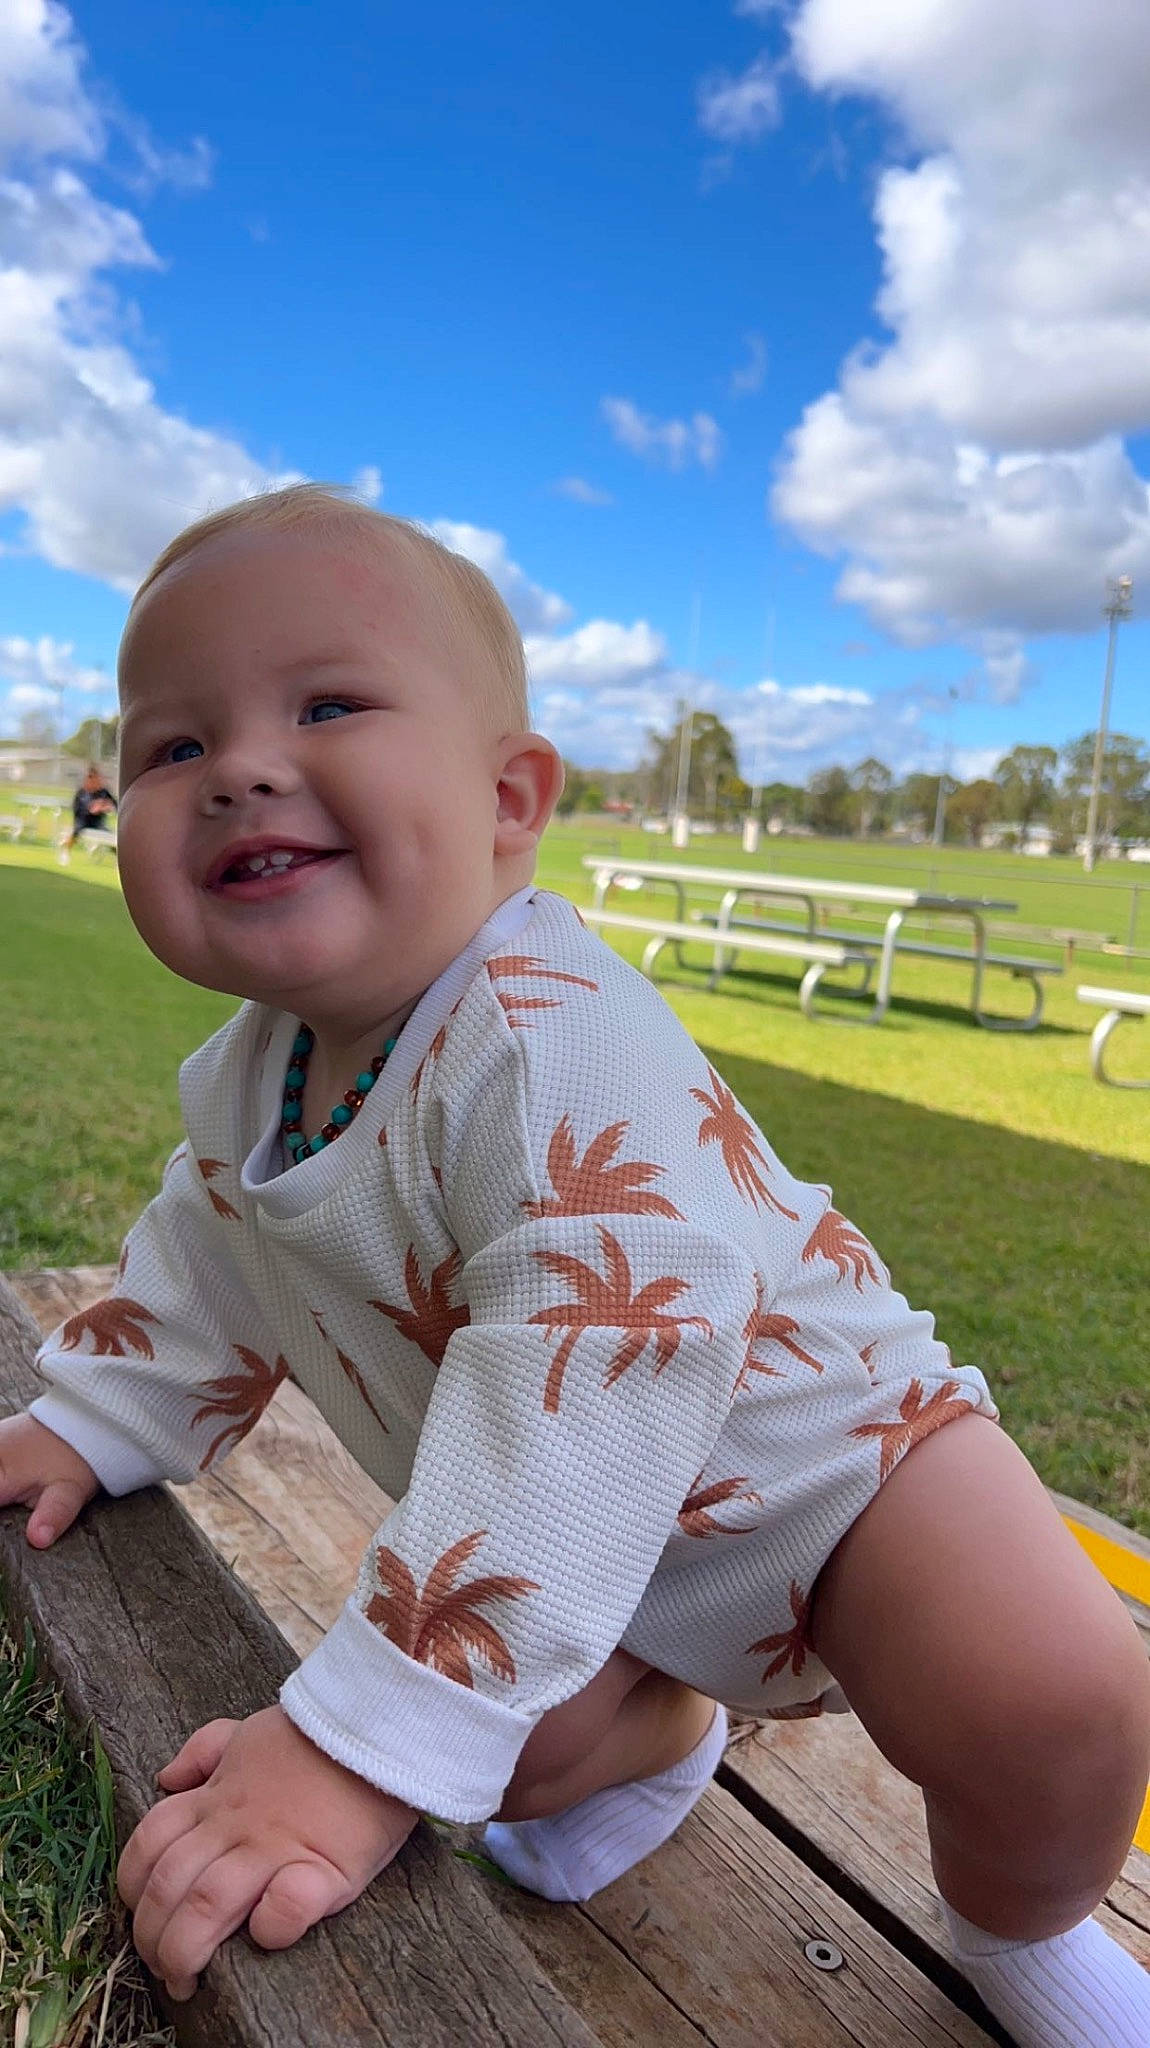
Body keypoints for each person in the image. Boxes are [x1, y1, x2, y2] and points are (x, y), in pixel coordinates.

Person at [0, 485, 1145, 2048]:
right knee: (503, 1758)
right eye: (172, 744)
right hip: (606, 1554)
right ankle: (663, 1728)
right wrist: (96, 1419)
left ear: (508, 800)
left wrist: (347, 1750)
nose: (240, 768)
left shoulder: (547, 1035)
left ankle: (1022, 1930)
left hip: (841, 1480)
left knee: (1050, 1696)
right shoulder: (252, 1071)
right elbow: (209, 1255)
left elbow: (593, 1357)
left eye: (326, 706)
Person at [69, 762, 117, 845]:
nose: (95, 781)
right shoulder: (82, 793)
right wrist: (95, 808)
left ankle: (117, 851)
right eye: (91, 778)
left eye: (96, 778)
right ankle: (68, 845)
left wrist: (108, 806)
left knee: (111, 837)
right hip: (83, 823)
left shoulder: (103, 792)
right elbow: (81, 811)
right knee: (78, 829)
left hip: (98, 824)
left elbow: (115, 805)